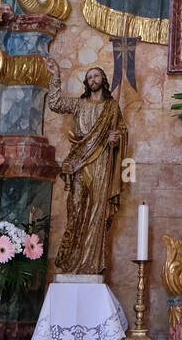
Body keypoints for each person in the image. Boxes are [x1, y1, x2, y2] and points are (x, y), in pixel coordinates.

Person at [44, 59, 128, 276]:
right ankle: (72, 260)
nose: (92, 79)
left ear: (104, 80)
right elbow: (55, 103)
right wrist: (55, 75)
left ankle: (91, 264)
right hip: (80, 160)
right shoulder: (79, 104)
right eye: (89, 77)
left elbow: (122, 133)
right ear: (86, 82)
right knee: (76, 207)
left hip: (101, 162)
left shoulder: (111, 107)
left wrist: (115, 139)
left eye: (96, 76)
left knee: (97, 210)